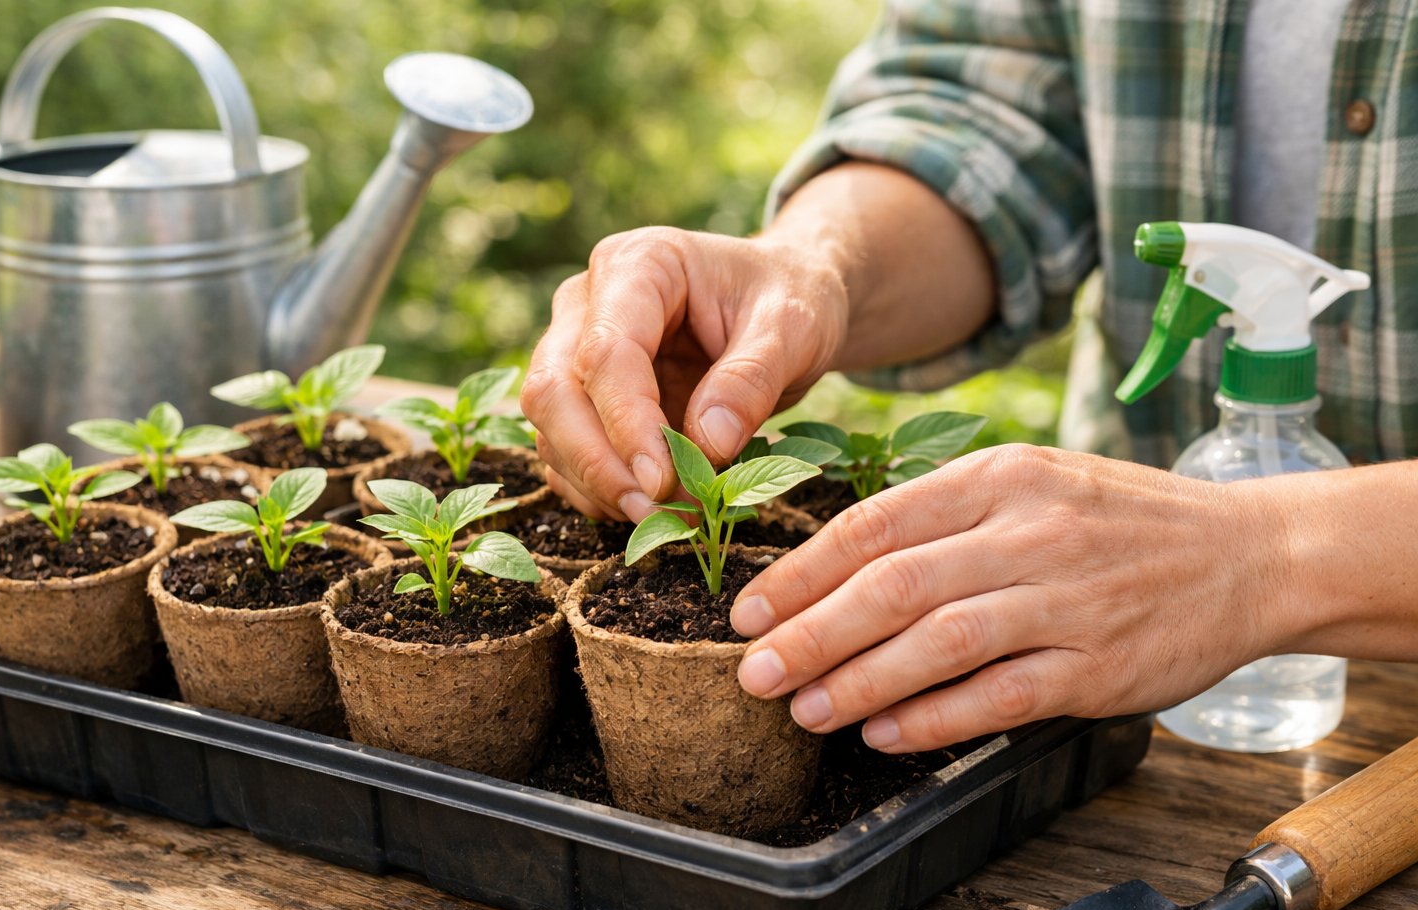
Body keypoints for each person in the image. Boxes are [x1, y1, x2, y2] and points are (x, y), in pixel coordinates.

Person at [521, 1, 1418, 754]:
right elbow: (989, 110)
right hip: (1114, 659)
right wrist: (811, 269)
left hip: (1237, 657)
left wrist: (1262, 556)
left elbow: (1249, 554)